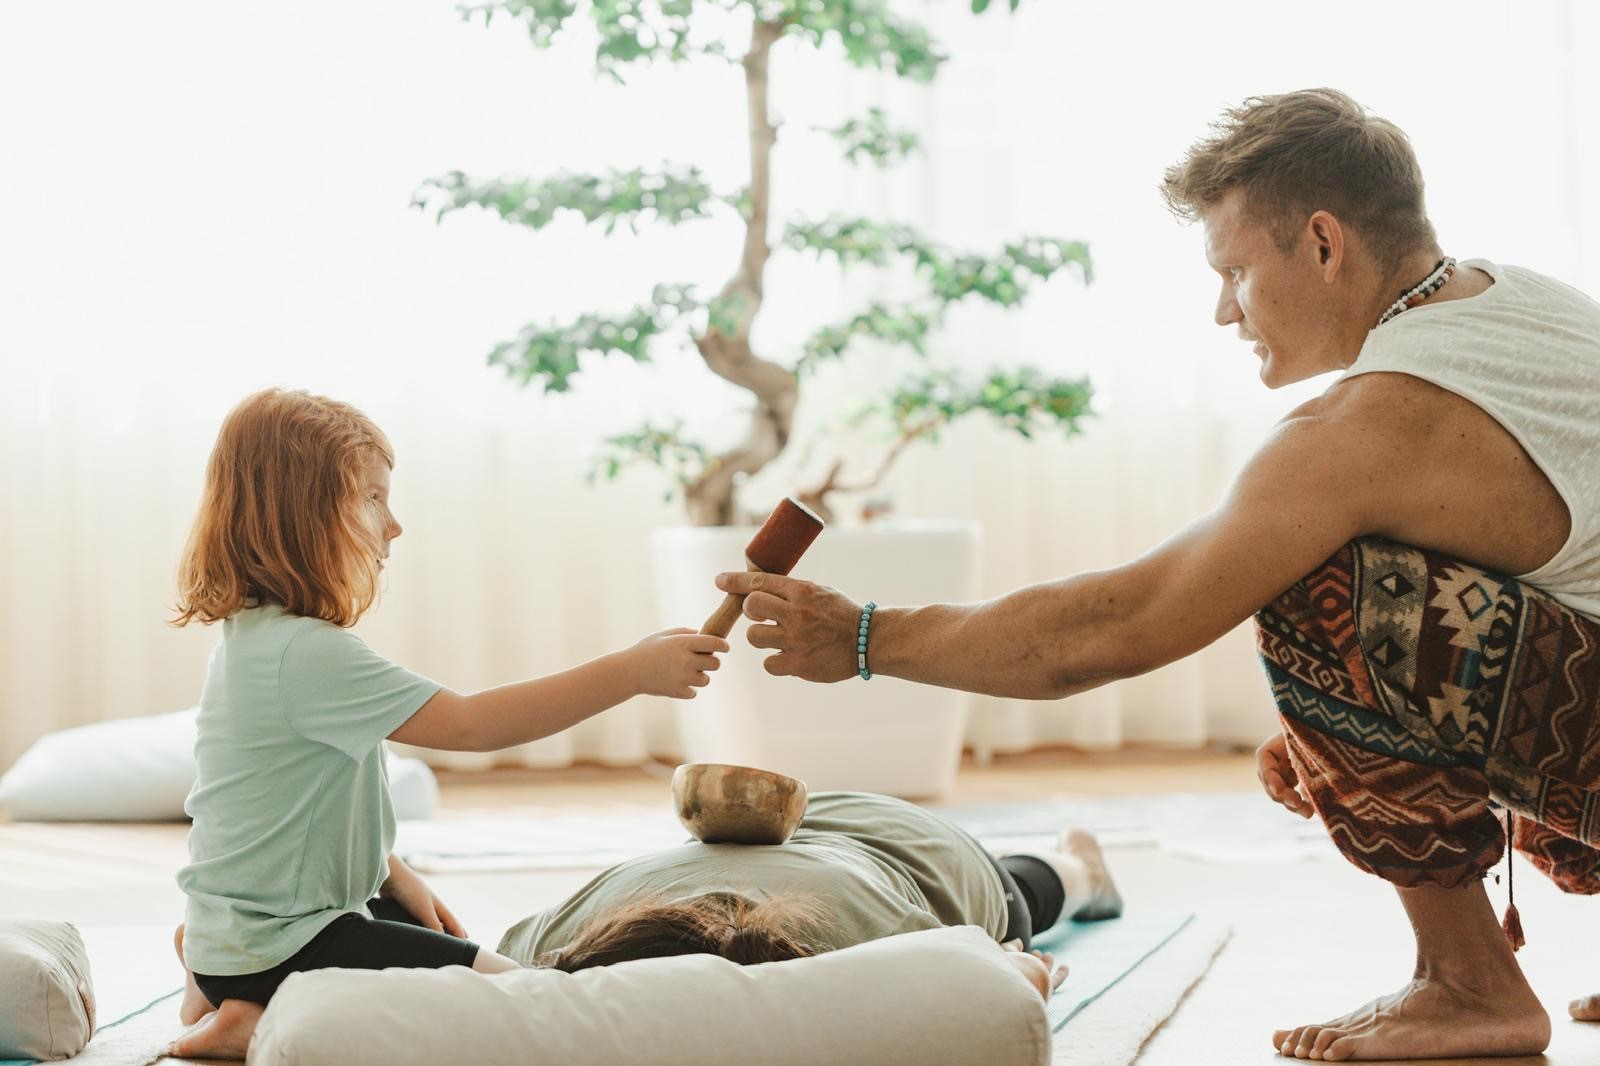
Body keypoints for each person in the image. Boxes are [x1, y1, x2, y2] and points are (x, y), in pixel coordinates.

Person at [713, 88, 1600, 1062]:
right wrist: (1354, 737)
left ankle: (1467, 985)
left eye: (1232, 273)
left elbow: (1114, 629)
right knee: (1379, 657)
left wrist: (864, 638)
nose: (1223, 310)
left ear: (1320, 243)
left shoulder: (1371, 423)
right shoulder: (1512, 301)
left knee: (1326, 595)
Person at [167, 388, 729, 1060]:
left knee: (447, 952)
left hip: (247, 929)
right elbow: (471, 726)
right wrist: (630, 673)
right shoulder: (309, 654)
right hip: (285, 941)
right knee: (526, 997)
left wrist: (391, 875)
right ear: (306, 517)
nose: (395, 525)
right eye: (373, 499)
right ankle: (253, 1014)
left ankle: (217, 976)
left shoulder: (253, 638)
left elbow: (284, 809)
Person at [497, 790, 1123, 1002]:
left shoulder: (877, 958)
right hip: (777, 824)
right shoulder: (542, 952)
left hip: (919, 843)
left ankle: (1084, 870)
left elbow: (1008, 974)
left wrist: (1019, 975)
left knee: (1022, 897)